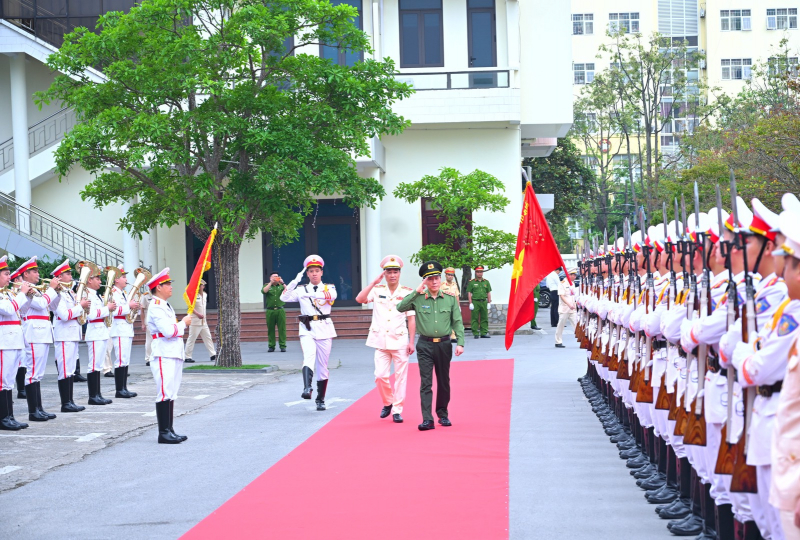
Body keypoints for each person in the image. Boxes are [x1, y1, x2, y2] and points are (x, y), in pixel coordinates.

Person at [397, 261, 465, 431]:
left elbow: (457, 321)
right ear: (425, 281)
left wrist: (461, 343)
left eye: (436, 278)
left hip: (444, 344)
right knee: (426, 383)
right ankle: (427, 419)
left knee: (443, 382)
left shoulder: (449, 298)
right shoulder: (418, 298)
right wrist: (416, 291)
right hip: (425, 345)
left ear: (440, 279)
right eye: (430, 279)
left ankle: (443, 414)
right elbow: (400, 307)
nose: (434, 282)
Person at [356, 255, 416, 424]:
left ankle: (397, 410)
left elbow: (411, 319)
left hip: (400, 340)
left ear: (399, 273)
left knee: (401, 377)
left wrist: (412, 342)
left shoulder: (407, 292)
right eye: (389, 272)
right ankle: (388, 402)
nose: (392, 275)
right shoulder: (377, 290)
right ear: (384, 274)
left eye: (395, 272)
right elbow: (360, 299)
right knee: (380, 376)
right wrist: (373, 283)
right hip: (380, 340)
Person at [280, 255, 337, 411]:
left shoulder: (329, 288)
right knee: (308, 356)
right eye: (311, 271)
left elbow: (331, 297)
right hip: (307, 328)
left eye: (317, 271)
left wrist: (310, 294)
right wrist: (295, 281)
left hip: (324, 328)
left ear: (321, 272)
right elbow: (283, 297)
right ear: (307, 274)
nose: (314, 274)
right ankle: (307, 388)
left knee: (323, 366)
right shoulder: (300, 288)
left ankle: (320, 398)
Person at [146, 268, 192, 444]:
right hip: (163, 353)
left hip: (172, 352)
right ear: (158, 287)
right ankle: (163, 432)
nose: (171, 287)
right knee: (164, 393)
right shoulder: (156, 306)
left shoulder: (165, 305)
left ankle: (169, 429)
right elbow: (167, 331)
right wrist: (183, 323)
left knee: (171, 393)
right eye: (167, 284)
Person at [17, 256, 62, 421]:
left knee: (38, 374)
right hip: (34, 333)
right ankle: (33, 411)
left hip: (42, 333)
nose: (38, 274)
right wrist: (52, 290)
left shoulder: (38, 290)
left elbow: (51, 306)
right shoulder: (23, 290)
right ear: (26, 274)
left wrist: (57, 291)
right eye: (34, 271)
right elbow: (42, 304)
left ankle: (39, 408)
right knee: (32, 373)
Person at [50, 259, 89, 412]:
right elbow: (64, 315)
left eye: (70, 273)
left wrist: (83, 307)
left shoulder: (69, 292)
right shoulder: (58, 294)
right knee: (65, 369)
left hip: (72, 334)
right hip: (64, 335)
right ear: (59, 277)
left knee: (71, 370)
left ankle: (70, 401)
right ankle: (65, 403)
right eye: (67, 274)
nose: (71, 276)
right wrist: (81, 306)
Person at [0, 256, 30, 430]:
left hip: (14, 340)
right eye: (6, 274)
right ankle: (3, 418)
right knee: (3, 381)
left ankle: (9, 416)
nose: (9, 277)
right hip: (4, 341)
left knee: (9, 381)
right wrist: (22, 293)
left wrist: (28, 296)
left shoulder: (7, 294)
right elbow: (9, 309)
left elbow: (22, 311)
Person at [83, 263, 117, 405]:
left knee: (98, 365)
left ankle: (97, 394)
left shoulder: (95, 295)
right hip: (94, 331)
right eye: (97, 278)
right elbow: (90, 315)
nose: (100, 281)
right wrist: (107, 308)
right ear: (89, 280)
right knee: (94, 365)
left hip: (100, 331)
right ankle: (93, 396)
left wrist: (109, 308)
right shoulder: (87, 294)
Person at [107, 265, 139, 397]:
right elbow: (114, 311)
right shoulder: (112, 293)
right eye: (123, 277)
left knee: (125, 360)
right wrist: (129, 306)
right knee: (120, 360)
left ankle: (124, 388)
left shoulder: (123, 293)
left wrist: (135, 307)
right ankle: (119, 390)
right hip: (119, 328)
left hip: (126, 328)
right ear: (116, 280)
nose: (126, 279)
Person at [184, 280, 217, 362]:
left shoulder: (205, 295)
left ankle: (213, 354)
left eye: (201, 285)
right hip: (195, 321)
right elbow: (190, 307)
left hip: (203, 321)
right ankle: (187, 356)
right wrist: (197, 314)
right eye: (198, 285)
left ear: (203, 286)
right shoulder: (193, 295)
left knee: (208, 337)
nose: (199, 287)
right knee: (192, 339)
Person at [262, 272, 287, 353]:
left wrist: (283, 283)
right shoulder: (267, 286)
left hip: (280, 310)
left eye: (277, 277)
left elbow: (288, 291)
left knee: (282, 329)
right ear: (270, 278)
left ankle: (282, 346)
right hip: (270, 310)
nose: (275, 278)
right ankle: (271, 346)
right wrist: (270, 283)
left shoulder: (281, 286)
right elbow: (264, 291)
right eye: (274, 277)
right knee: (271, 329)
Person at [554, 269, 578, 348]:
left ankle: (581, 341)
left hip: (572, 308)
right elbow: (562, 296)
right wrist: (569, 304)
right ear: (569, 275)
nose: (575, 276)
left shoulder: (572, 284)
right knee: (560, 325)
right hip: (564, 308)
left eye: (575, 275)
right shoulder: (562, 284)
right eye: (573, 275)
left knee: (576, 325)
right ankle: (558, 341)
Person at [467, 265, 492, 339]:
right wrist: (470, 303)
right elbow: (469, 293)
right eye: (478, 272)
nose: (479, 273)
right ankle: (475, 333)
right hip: (475, 301)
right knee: (474, 318)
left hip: (484, 301)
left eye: (481, 272)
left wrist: (489, 302)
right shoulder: (472, 282)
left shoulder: (486, 282)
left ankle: (484, 332)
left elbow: (488, 292)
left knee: (484, 318)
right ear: (475, 273)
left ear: (482, 273)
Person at [441, 267, 460, 343]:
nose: (450, 276)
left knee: (454, 320)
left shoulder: (455, 285)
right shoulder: (442, 285)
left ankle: (453, 336)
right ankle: (446, 335)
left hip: (453, 305)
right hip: (445, 305)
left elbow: (457, 295)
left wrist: (458, 306)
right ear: (445, 275)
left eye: (452, 275)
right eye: (449, 275)